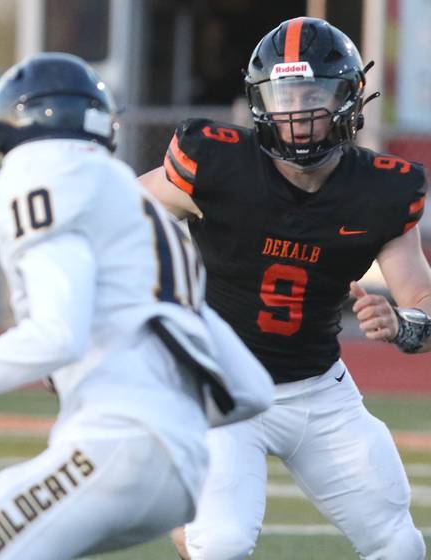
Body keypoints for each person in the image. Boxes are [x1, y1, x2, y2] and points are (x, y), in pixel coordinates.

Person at [0, 52, 274, 560]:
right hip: (181, 472)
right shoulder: (138, 206)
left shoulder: (40, 174)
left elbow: (55, 337)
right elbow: (251, 390)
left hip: (117, 446)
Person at [139, 16, 431, 560]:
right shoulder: (217, 161)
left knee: (400, 546)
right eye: (285, 94)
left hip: (320, 390)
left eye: (315, 93)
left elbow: (423, 303)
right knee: (221, 544)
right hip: (221, 387)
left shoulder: (383, 190)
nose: (299, 112)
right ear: (260, 101)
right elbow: (117, 212)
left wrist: (403, 323)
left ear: (349, 100)